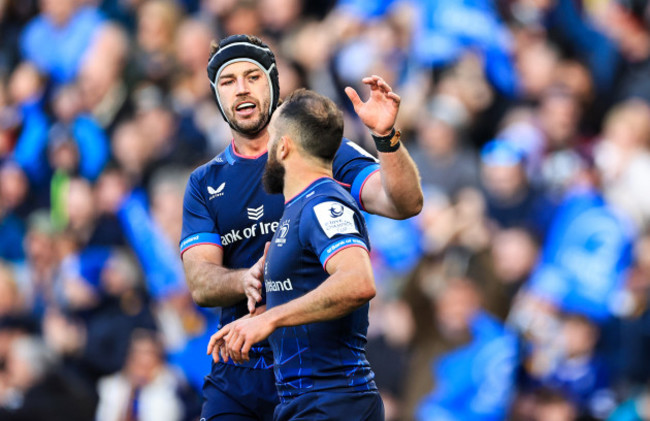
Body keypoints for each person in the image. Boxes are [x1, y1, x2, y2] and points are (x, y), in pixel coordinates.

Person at [180, 34, 422, 420]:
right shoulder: (205, 182)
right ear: (216, 95)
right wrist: (248, 282)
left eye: (252, 77)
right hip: (241, 368)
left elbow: (403, 203)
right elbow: (200, 282)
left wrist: (386, 138)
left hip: (316, 371)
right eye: (228, 81)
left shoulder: (322, 153)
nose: (241, 89)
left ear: (273, 84)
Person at [208, 88, 383, 420]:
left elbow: (358, 281)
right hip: (304, 402)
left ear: (284, 146)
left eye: (271, 139)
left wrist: (272, 318)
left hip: (334, 400)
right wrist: (258, 318)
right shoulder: (298, 208)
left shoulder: (324, 204)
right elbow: (307, 296)